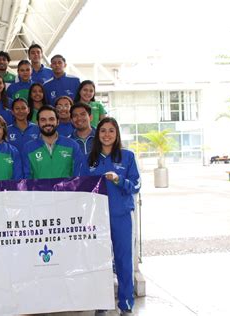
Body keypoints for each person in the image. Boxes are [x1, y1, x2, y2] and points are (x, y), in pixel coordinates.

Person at [80, 117, 140, 316]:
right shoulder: (88, 159)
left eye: (111, 131)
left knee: (124, 261)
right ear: (97, 134)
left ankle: (126, 304)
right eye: (103, 130)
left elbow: (136, 185)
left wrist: (119, 179)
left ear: (117, 134)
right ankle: (102, 304)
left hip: (121, 216)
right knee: (100, 261)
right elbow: (79, 187)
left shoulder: (128, 157)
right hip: (96, 219)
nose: (107, 134)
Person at [22, 105, 81, 179]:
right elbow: (27, 178)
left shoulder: (72, 145)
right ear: (37, 123)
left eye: (51, 119)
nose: (47, 123)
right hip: (38, 190)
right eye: (43, 120)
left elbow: (77, 176)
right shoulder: (28, 148)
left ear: (58, 121)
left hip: (66, 190)